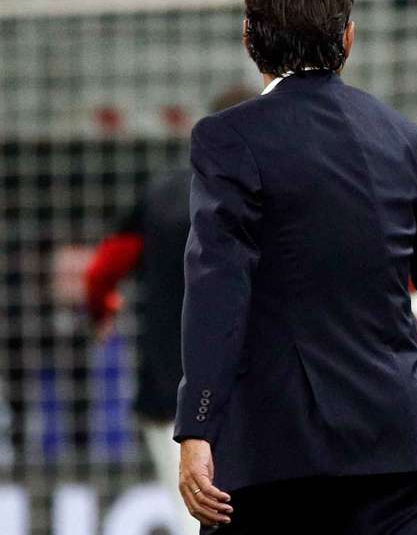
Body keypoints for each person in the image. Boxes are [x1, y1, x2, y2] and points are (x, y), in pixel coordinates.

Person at [174, 0, 417, 534]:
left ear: (249, 38)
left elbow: (218, 287)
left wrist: (197, 425)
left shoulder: (229, 138)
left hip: (277, 455)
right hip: (399, 445)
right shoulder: (398, 135)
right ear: (347, 36)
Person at [83, 85, 255, 535]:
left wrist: (102, 311)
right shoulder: (272, 195)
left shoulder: (162, 194)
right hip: (250, 389)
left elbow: (102, 272)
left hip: (170, 389)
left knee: (191, 515)